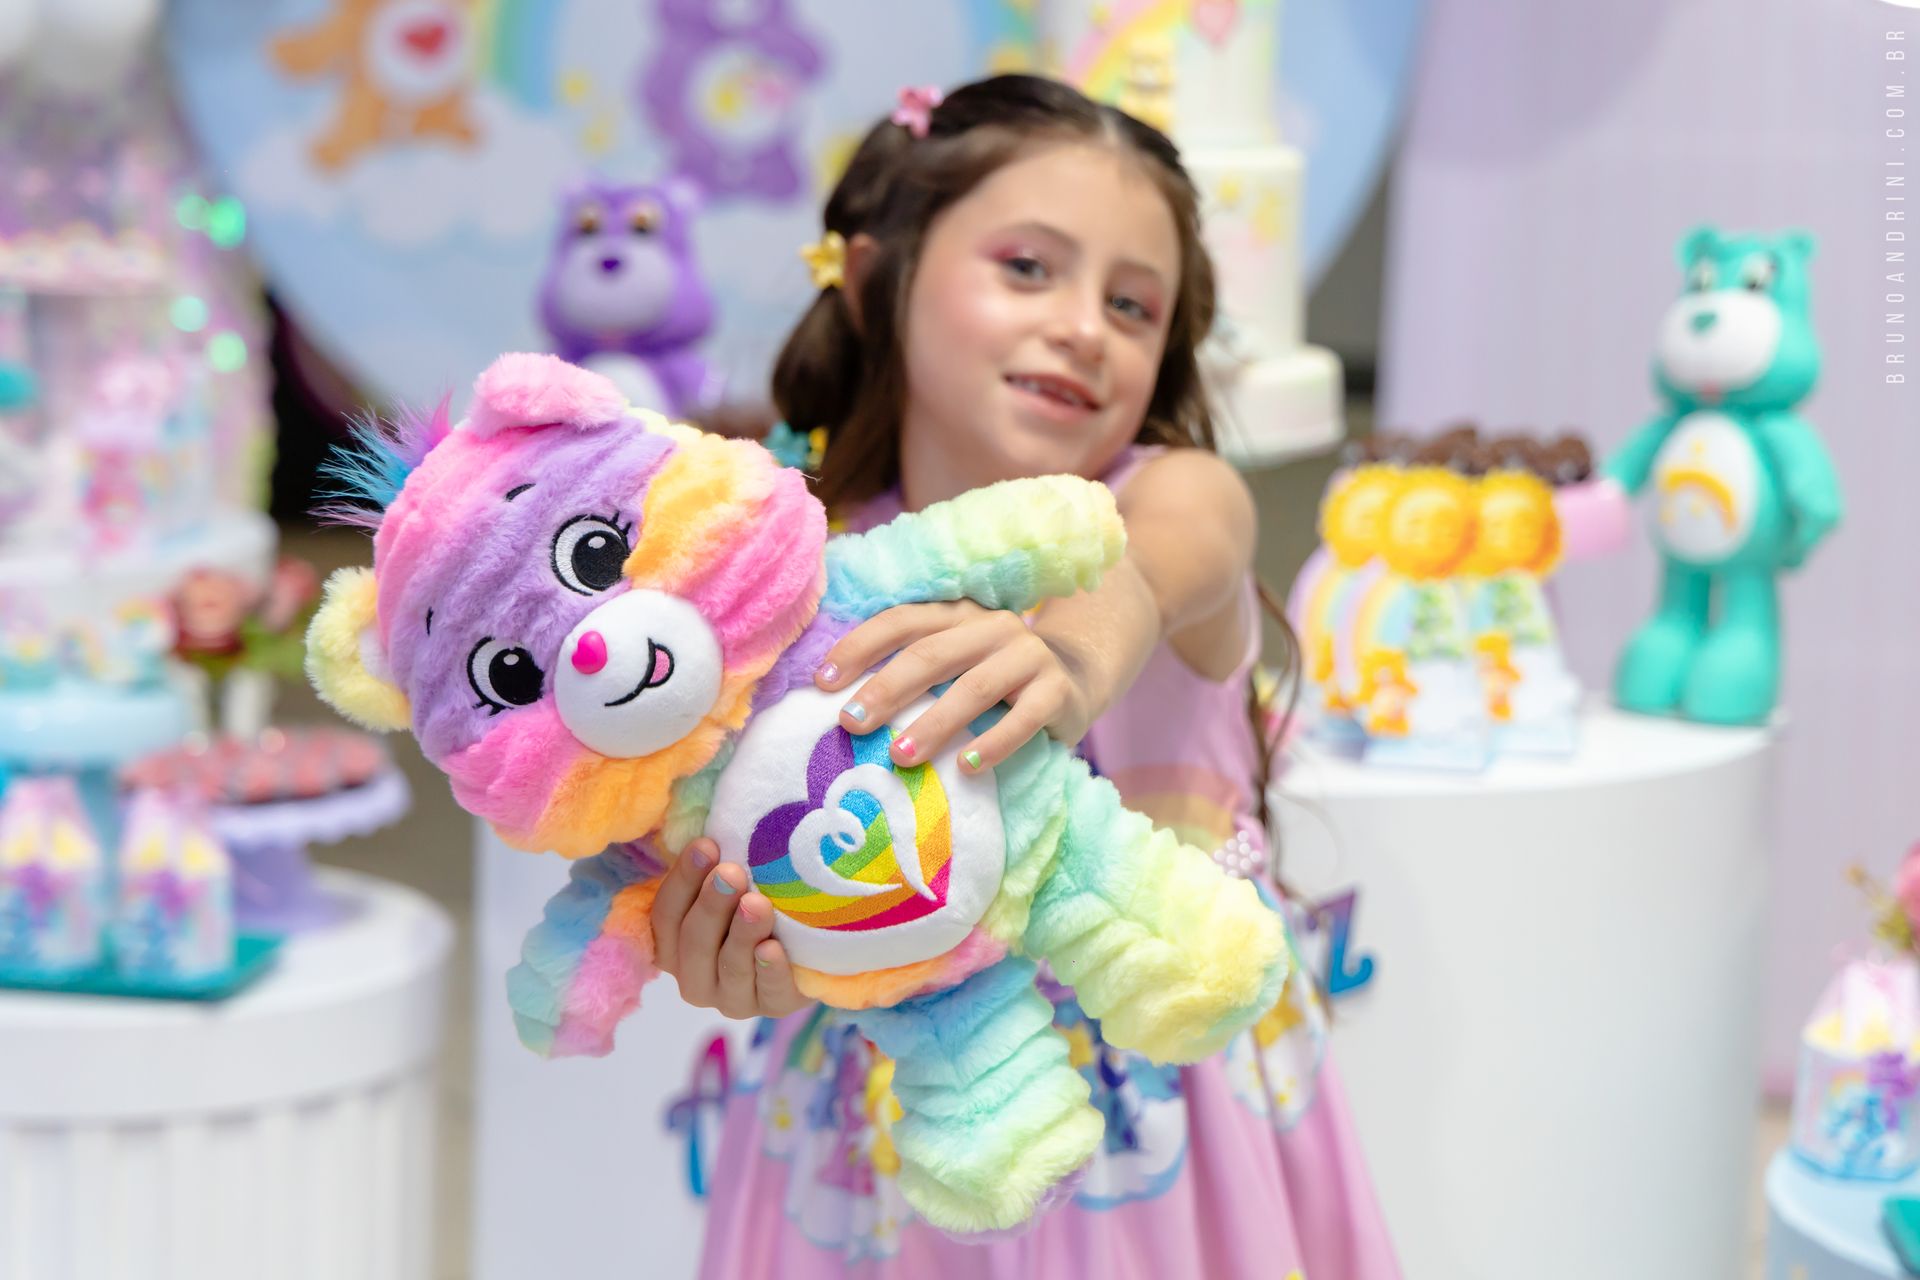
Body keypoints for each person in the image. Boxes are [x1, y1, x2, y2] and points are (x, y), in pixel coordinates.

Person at [651, 73, 1400, 1279]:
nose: (1086, 326)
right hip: (878, 1127)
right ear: (872, 272)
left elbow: (1148, 571)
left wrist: (1062, 652)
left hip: (1153, 1140)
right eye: (1029, 267)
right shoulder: (797, 560)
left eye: (1135, 304)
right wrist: (747, 948)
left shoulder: (1171, 497)